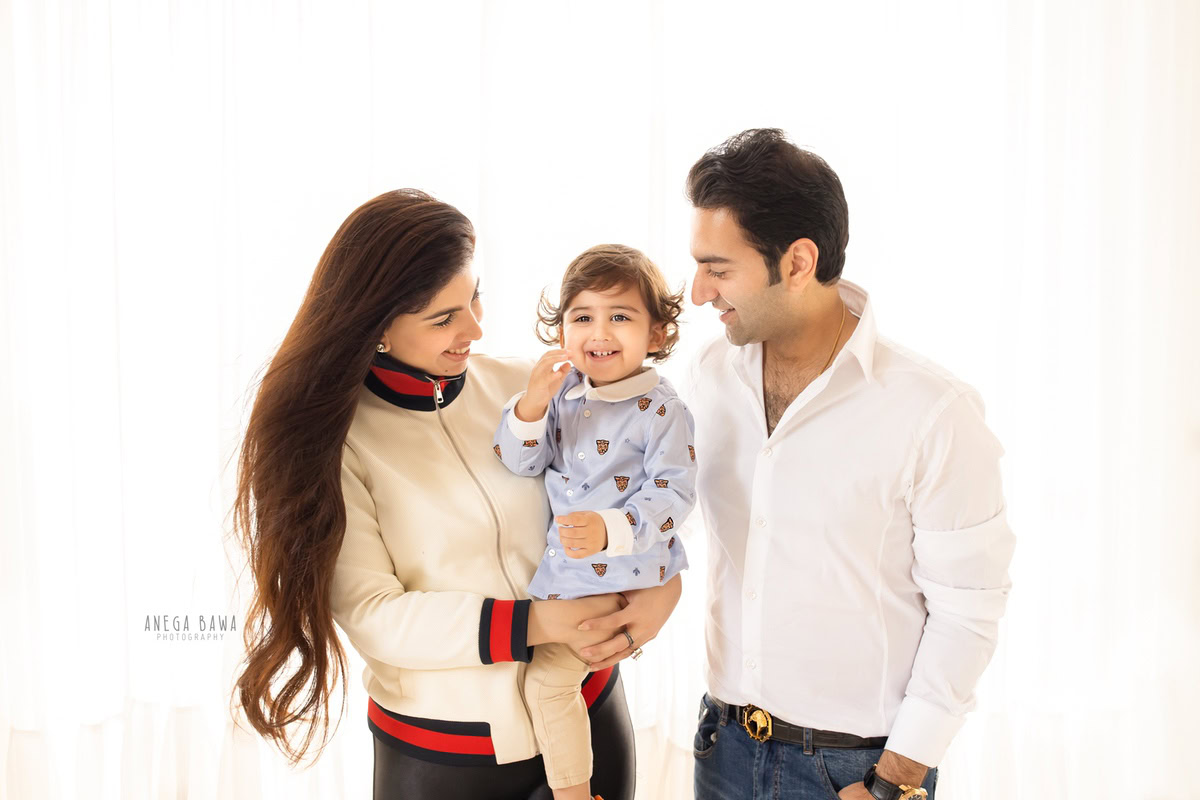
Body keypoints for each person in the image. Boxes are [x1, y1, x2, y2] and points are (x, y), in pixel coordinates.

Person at [230, 189, 682, 800]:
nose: (474, 328)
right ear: (378, 326)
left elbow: (643, 488)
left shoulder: (532, 390)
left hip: (589, 713)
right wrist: (534, 623)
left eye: (474, 298)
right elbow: (374, 614)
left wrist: (657, 601)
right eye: (444, 318)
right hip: (449, 760)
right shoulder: (336, 448)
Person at [684, 129, 1016, 800]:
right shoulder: (712, 375)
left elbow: (969, 612)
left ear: (798, 261)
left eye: (718, 269)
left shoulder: (935, 412)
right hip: (721, 749)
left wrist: (894, 781)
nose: (697, 292)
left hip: (854, 775)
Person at [493, 244, 695, 800]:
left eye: (620, 317)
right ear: (562, 330)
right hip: (571, 578)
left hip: (618, 574)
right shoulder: (562, 395)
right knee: (543, 679)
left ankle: (575, 794)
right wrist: (531, 404)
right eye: (582, 317)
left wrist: (614, 529)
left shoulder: (661, 409)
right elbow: (520, 460)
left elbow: (674, 491)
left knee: (548, 684)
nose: (598, 332)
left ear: (656, 334)